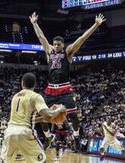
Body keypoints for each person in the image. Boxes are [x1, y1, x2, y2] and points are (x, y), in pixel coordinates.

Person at [29, 12, 106, 150]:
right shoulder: (49, 52)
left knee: (73, 115)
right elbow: (41, 37)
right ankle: (48, 137)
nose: (56, 46)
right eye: (54, 44)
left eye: (58, 44)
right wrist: (34, 23)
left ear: (63, 45)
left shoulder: (68, 52)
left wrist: (95, 25)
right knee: (43, 115)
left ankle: (76, 136)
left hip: (65, 88)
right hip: (51, 88)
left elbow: (82, 39)